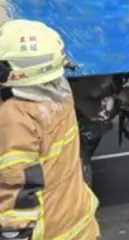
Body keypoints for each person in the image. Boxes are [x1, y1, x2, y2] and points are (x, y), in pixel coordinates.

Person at [0, 19, 100, 239]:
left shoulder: (16, 117)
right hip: (81, 225)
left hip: (50, 232)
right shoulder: (61, 95)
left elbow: (15, 188)